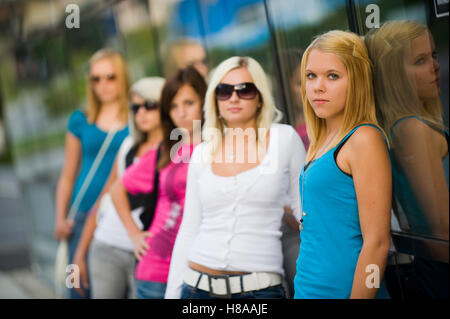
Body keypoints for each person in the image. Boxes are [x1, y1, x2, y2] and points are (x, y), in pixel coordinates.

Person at [165, 56, 306, 299]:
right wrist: (171, 294)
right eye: (224, 90)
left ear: (260, 97)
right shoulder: (202, 152)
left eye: (245, 90)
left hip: (259, 291)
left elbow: (305, 214)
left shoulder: (285, 139)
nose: (233, 97)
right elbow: (189, 228)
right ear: (214, 99)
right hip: (197, 288)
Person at [293, 30, 392, 299]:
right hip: (307, 288)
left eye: (332, 76)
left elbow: (378, 243)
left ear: (357, 81)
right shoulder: (322, 139)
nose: (318, 86)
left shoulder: (364, 138)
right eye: (311, 75)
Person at [365, 20, 448, 298]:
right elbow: (440, 229)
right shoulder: (412, 129)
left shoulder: (412, 125)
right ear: (395, 75)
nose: (434, 66)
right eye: (420, 60)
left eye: (434, 55)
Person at [111, 66, 206, 299]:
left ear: (204, 101)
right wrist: (134, 235)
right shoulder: (166, 151)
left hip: (200, 269)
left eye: (188, 103)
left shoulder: (219, 147)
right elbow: (116, 189)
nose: (181, 112)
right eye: (173, 106)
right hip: (155, 273)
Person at [72, 77, 165, 298]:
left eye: (149, 105)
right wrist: (78, 255)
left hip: (147, 256)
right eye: (135, 107)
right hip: (107, 246)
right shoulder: (127, 146)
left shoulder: (176, 151)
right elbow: (104, 199)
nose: (141, 112)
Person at [54, 48, 130, 299]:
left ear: (122, 77)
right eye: (96, 79)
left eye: (110, 77)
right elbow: (67, 175)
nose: (103, 85)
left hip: (116, 215)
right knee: (77, 287)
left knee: (109, 290)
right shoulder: (80, 119)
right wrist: (60, 218)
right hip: (80, 214)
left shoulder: (137, 117)